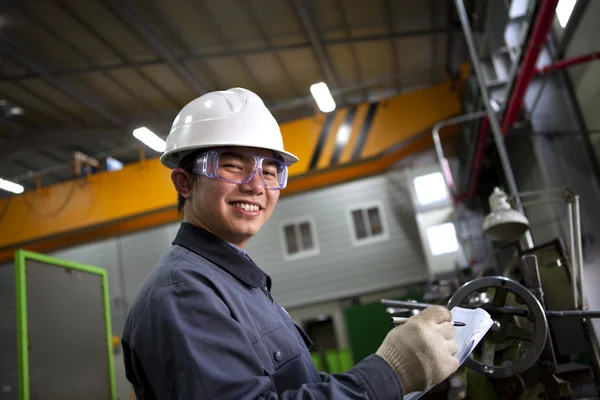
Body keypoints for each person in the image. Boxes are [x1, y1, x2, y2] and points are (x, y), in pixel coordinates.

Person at [121, 87, 459, 399]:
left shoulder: (238, 284)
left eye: (270, 171)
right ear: (184, 183)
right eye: (233, 166)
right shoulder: (183, 294)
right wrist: (390, 374)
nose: (256, 186)